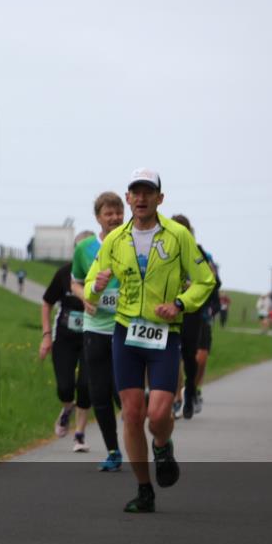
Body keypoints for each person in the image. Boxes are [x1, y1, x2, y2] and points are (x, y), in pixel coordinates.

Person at [85, 168, 216, 513]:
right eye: (136, 192)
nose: (141, 198)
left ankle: (162, 444)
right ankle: (144, 490)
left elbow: (205, 280)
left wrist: (180, 304)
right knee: (131, 414)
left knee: (157, 416)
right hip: (126, 332)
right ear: (128, 198)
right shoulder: (115, 239)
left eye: (148, 192)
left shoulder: (177, 236)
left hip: (163, 334)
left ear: (160, 198)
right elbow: (89, 286)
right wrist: (96, 286)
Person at [71, 192, 126, 471]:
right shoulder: (85, 248)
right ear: (98, 218)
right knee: (99, 393)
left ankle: (142, 437)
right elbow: (75, 283)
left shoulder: (132, 243)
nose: (115, 218)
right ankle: (113, 451)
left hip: (124, 326)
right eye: (109, 213)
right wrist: (86, 298)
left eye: (118, 212)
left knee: (122, 391)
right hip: (95, 328)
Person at [40, 232, 92, 452]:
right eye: (80, 250)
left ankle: (79, 435)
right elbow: (47, 302)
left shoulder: (104, 274)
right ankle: (67, 408)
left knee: (86, 386)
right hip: (64, 337)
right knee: (65, 387)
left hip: (92, 337)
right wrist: (46, 335)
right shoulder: (64, 273)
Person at [169, 214, 217, 419]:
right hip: (169, 310)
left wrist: (192, 287)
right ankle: (175, 397)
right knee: (172, 355)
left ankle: (189, 393)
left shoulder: (198, 252)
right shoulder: (163, 250)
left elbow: (211, 282)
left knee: (190, 355)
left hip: (192, 311)